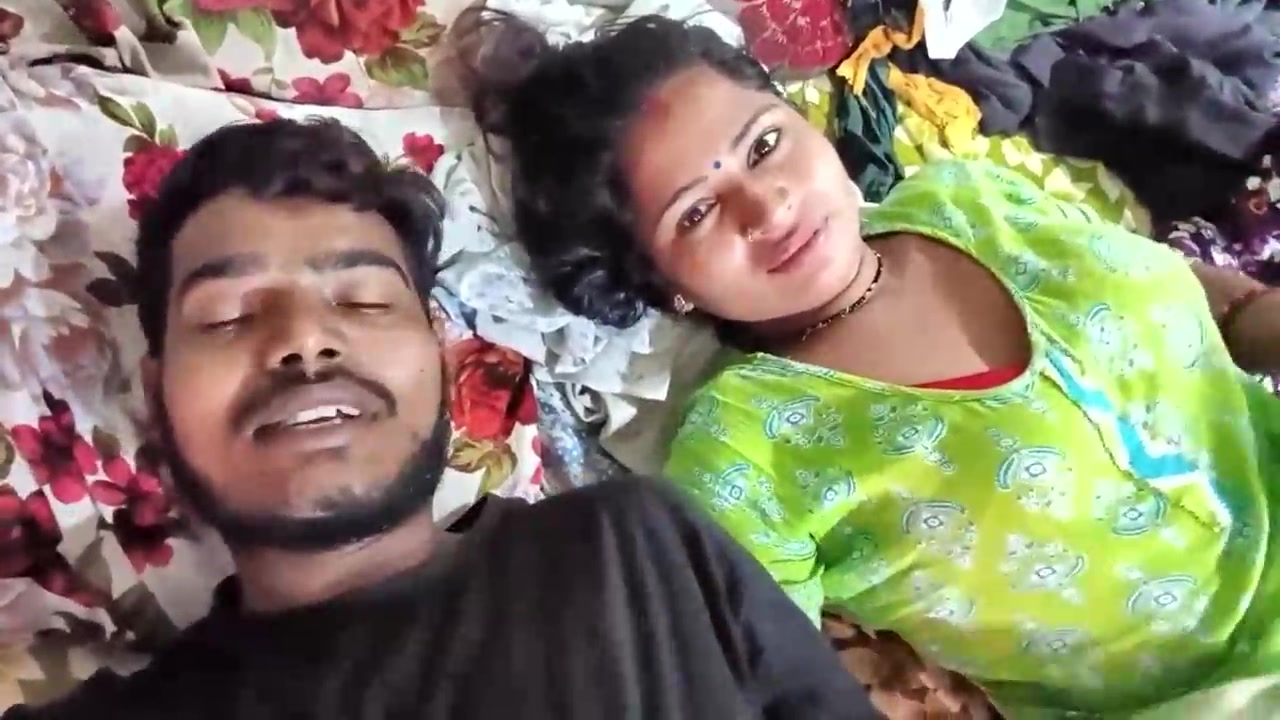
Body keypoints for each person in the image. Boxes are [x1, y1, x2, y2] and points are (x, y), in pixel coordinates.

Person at [466, 11, 1280, 718]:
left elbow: (1212, 303)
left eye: (765, 144)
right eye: (698, 212)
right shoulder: (743, 455)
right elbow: (778, 687)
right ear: (662, 285)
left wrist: (1257, 315)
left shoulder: (970, 198)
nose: (768, 204)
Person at [2, 118, 879, 720]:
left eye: (362, 300)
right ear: (157, 396)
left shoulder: (640, 547)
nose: (305, 340)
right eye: (229, 316)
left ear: (443, 358)